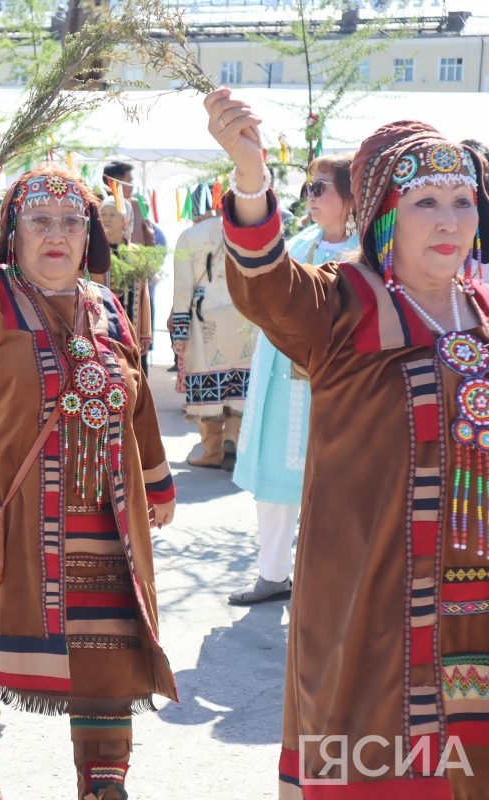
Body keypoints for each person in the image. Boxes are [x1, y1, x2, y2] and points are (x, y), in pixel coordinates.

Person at [208, 86, 489, 796]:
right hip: (372, 600)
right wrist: (250, 177)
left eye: (463, 200)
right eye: (427, 202)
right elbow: (265, 287)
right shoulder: (341, 306)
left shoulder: (483, 312)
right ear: (384, 215)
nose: (450, 220)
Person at [0, 163, 178, 800]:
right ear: (12, 235)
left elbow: (137, 405)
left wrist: (156, 484)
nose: (57, 234)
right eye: (39, 221)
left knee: (109, 666)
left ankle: (104, 788)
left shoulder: (106, 310)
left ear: (89, 236)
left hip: (97, 526)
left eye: (72, 222)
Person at [229, 155, 359, 606]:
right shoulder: (297, 242)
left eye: (321, 187)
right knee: (275, 485)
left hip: (339, 391)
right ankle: (272, 574)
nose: (311, 197)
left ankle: (333, 586)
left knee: (338, 491)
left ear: (352, 196)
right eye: (308, 188)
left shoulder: (374, 253)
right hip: (281, 387)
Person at [170, 204, 255, 470]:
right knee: (240, 377)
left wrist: (179, 332)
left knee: (207, 376)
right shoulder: (249, 232)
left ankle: (212, 450)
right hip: (245, 314)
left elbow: (183, 289)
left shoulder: (189, 237)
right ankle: (232, 439)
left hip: (207, 318)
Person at [97, 198, 153, 366]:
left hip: (131, 329)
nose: (106, 218)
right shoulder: (92, 253)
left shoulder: (137, 254)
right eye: (103, 214)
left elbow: (144, 295)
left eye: (112, 214)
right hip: (101, 330)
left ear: (125, 220)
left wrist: (145, 332)